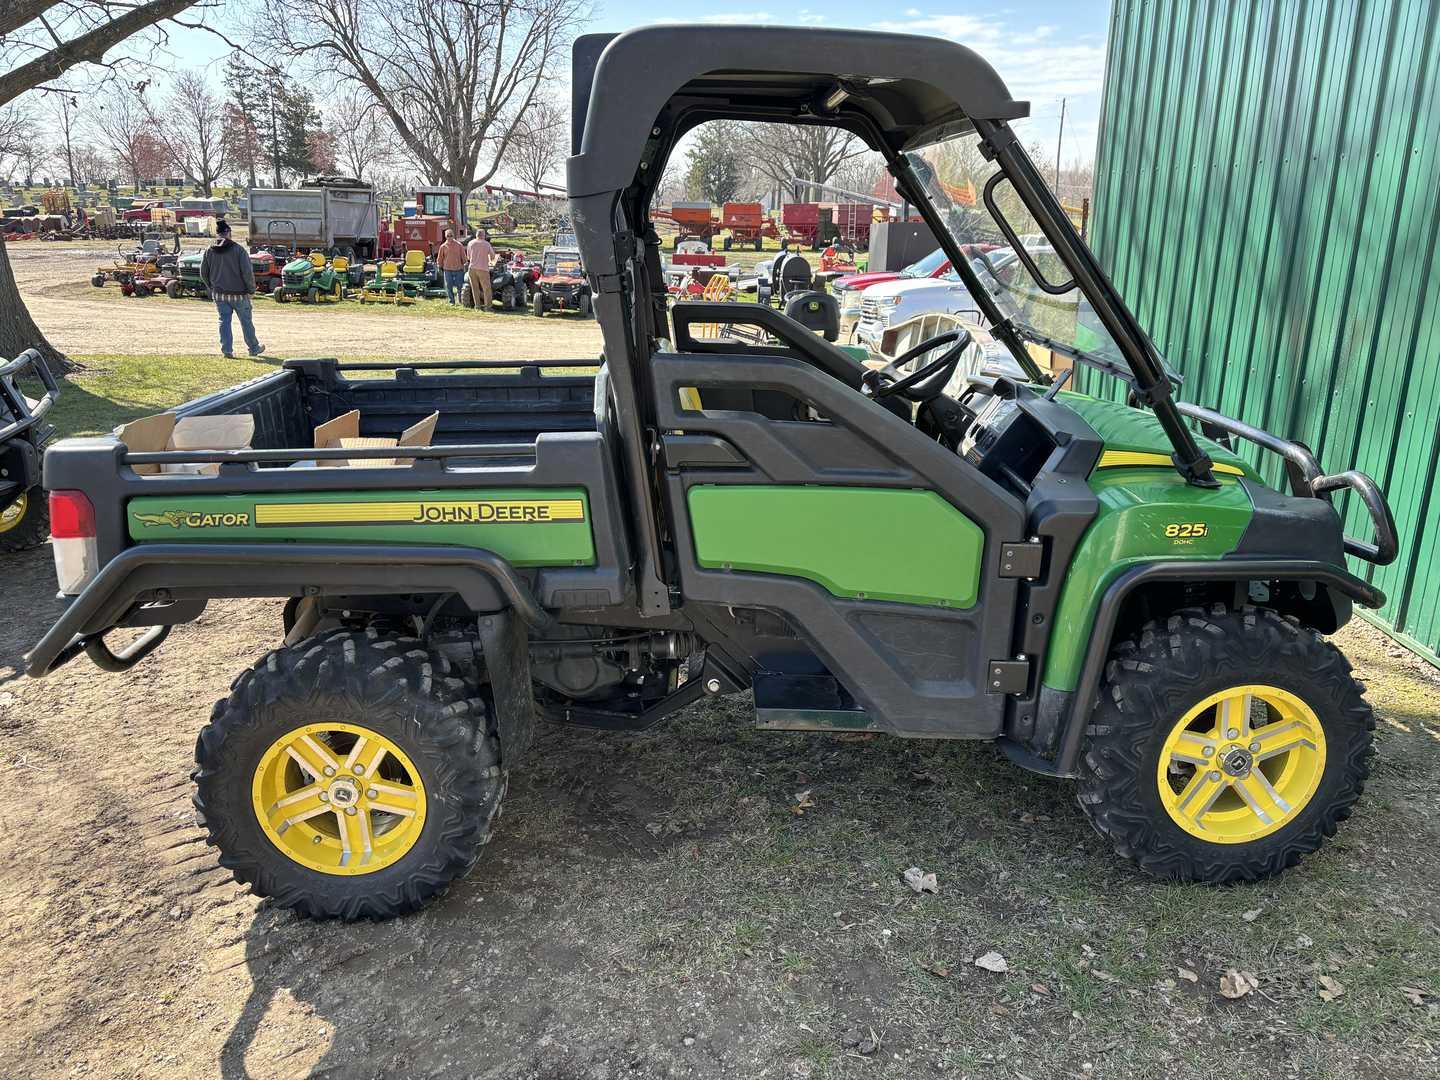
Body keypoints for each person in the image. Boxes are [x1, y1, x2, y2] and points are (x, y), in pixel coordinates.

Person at [200, 219, 265, 359]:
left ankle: (227, 350)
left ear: (217, 234)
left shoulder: (209, 250)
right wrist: (251, 290)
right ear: (228, 232)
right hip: (239, 295)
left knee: (224, 321)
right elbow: (247, 273)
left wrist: (211, 287)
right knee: (246, 322)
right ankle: (253, 348)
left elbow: (203, 273)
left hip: (219, 294)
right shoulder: (239, 250)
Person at [466, 228, 496, 309]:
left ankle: (477, 306)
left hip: (472, 268)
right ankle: (488, 306)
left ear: (476, 235)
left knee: (474, 288)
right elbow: (493, 257)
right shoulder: (486, 244)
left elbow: (468, 257)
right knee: (486, 289)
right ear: (484, 235)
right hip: (483, 268)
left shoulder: (470, 243)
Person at [436, 228, 467, 305]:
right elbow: (440, 258)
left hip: (459, 269)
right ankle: (451, 301)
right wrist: (439, 267)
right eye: (448, 236)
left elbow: (464, 257)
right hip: (447, 270)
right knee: (448, 287)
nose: (449, 237)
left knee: (460, 287)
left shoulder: (459, 245)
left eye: (451, 235)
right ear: (445, 236)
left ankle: (460, 301)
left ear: (453, 236)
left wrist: (465, 265)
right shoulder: (443, 246)